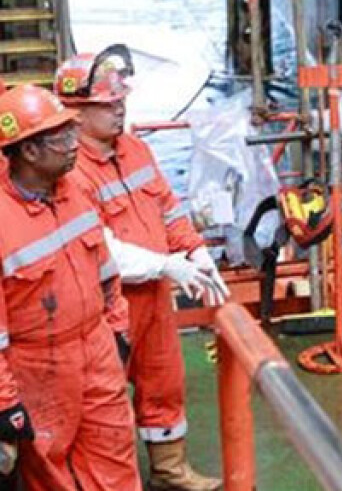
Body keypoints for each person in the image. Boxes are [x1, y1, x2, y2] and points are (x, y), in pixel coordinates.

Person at [55, 51, 228, 491]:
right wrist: (166, 265)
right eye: (107, 103)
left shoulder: (135, 150)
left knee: (164, 381)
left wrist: (195, 251)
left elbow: (168, 210)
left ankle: (171, 471)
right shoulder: (68, 174)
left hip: (153, 297)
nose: (120, 108)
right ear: (75, 112)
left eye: (120, 100)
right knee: (105, 401)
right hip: (105, 307)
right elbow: (101, 250)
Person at [0, 85, 142, 491]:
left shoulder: (75, 193)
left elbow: (106, 274)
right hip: (37, 368)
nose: (72, 144)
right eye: (60, 137)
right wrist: (5, 400)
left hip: (95, 348)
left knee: (115, 453)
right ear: (28, 151)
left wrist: (116, 329)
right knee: (51, 472)